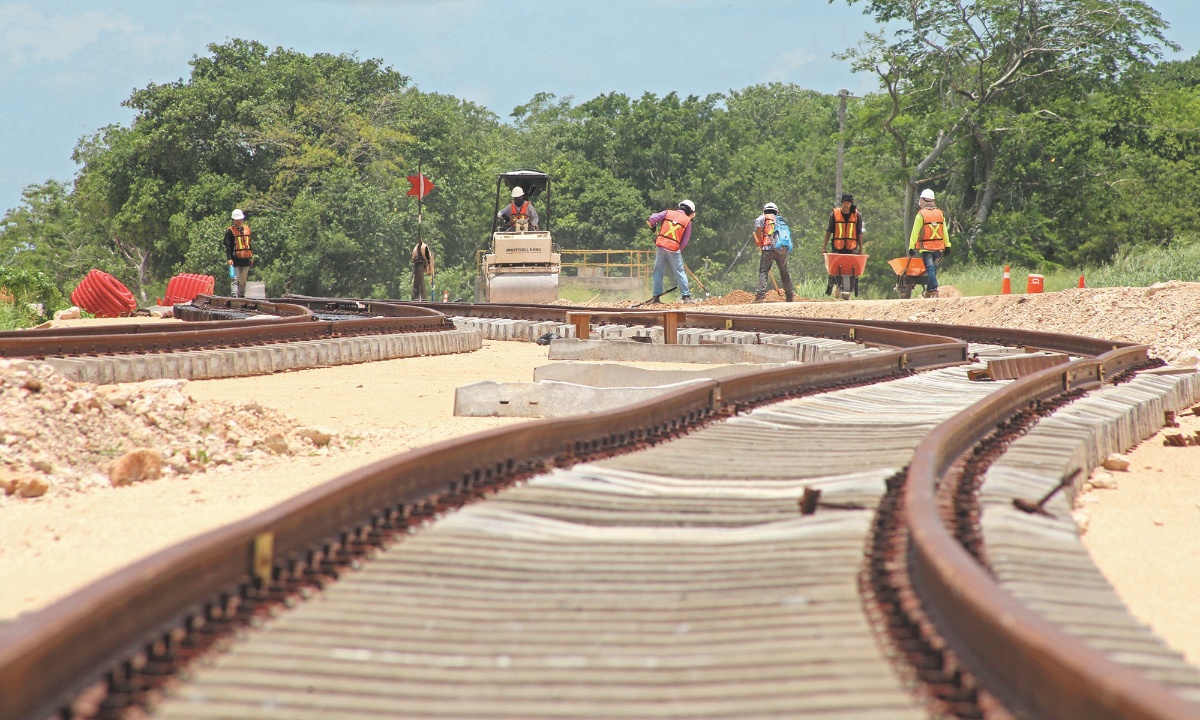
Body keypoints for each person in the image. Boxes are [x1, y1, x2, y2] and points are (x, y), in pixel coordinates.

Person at [647, 200, 696, 304]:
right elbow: (685, 241)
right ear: (689, 211)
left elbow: (652, 219)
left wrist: (653, 226)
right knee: (679, 272)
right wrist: (678, 250)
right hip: (674, 248)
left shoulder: (668, 212)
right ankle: (686, 297)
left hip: (661, 245)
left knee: (658, 271)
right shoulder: (687, 221)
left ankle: (656, 297)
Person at [908, 188, 950, 298]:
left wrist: (911, 246)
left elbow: (915, 232)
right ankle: (929, 291)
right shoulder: (940, 214)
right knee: (933, 269)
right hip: (938, 247)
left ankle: (933, 289)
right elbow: (944, 230)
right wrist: (948, 245)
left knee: (930, 268)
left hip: (926, 247)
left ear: (923, 200)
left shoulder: (921, 214)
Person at [753, 202, 795, 303]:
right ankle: (789, 296)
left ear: (764, 210)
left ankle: (760, 296)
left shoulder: (762, 218)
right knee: (784, 273)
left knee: (763, 271)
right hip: (782, 249)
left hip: (768, 248)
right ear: (776, 211)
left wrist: (759, 240)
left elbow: (759, 230)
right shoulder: (780, 219)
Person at [223, 209, 252, 297]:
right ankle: (234, 295)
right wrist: (229, 259)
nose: (239, 221)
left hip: (245, 259)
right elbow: (228, 246)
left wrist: (251, 257)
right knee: (235, 278)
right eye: (237, 219)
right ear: (234, 220)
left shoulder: (247, 229)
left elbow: (249, 244)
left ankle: (241, 295)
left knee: (243, 280)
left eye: (240, 219)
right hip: (235, 259)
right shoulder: (230, 231)